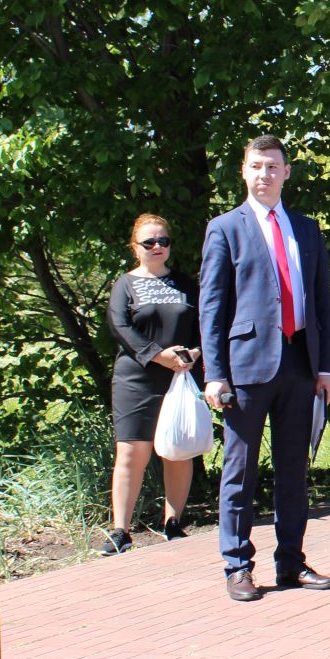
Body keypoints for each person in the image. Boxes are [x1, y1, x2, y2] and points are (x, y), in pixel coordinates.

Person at [200, 135, 330, 601]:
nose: (265, 174)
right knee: (239, 472)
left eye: (273, 166)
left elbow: (321, 302)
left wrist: (326, 367)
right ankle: (237, 566)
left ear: (286, 172)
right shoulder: (225, 228)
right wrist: (214, 373)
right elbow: (212, 308)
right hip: (245, 370)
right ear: (244, 171)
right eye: (257, 166)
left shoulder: (307, 229)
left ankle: (291, 563)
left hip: (300, 364)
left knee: (293, 471)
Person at [101, 214, 201, 554]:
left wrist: (193, 354)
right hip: (136, 378)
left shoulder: (186, 285)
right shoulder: (125, 284)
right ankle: (120, 531)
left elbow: (205, 326)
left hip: (179, 378)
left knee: (178, 449)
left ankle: (173, 523)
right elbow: (120, 327)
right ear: (135, 247)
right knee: (132, 452)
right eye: (149, 242)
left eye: (163, 241)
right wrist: (159, 355)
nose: (157, 247)